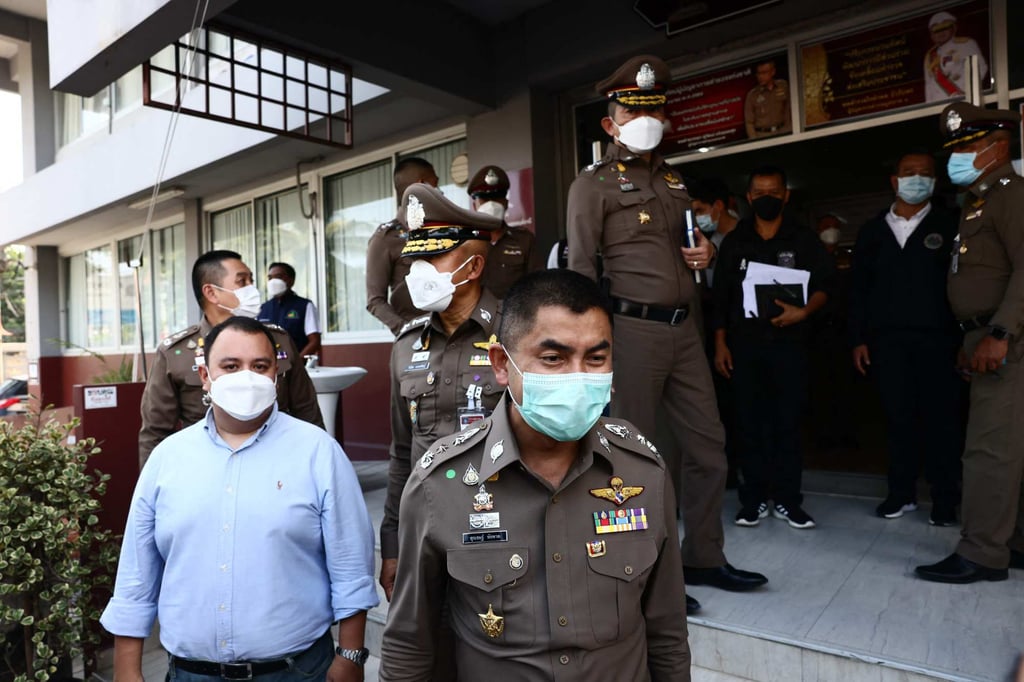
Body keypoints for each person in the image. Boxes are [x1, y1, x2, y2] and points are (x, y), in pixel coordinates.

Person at [380, 269, 691, 681]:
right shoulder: (440, 485)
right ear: (501, 364)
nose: (578, 377)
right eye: (553, 359)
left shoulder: (642, 471)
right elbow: (409, 645)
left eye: (596, 358)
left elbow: (667, 632)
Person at [567, 55, 768, 614]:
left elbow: (685, 251)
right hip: (630, 332)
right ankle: (640, 575)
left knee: (708, 448)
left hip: (684, 332)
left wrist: (705, 257)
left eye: (653, 110)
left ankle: (703, 555)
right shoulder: (592, 185)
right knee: (631, 460)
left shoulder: (676, 180)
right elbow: (581, 272)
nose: (645, 120)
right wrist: (592, 349)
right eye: (632, 111)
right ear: (610, 124)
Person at [102, 316, 378, 682]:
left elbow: (351, 564)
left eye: (259, 366)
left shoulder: (318, 453)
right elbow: (137, 571)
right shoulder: (167, 458)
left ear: (276, 376)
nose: (246, 378)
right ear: (205, 376)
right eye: (230, 366)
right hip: (190, 673)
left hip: (295, 671)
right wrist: (127, 667)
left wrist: (351, 656)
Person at [916, 102, 1024, 584]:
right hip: (986, 334)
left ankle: (981, 552)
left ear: (998, 147)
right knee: (1009, 447)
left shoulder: (1011, 195)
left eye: (968, 146)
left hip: (1008, 339)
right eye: (956, 149)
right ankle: (1011, 541)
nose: (957, 158)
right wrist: (973, 336)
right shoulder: (978, 200)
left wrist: (999, 333)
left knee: (989, 450)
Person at [713, 165, 834, 530]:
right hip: (744, 347)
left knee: (788, 424)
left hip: (790, 346)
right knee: (748, 424)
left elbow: (826, 285)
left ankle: (787, 500)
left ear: (786, 195)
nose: (767, 198)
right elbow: (721, 298)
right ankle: (752, 501)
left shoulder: (803, 238)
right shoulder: (735, 241)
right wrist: (720, 344)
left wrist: (804, 312)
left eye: (774, 192)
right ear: (749, 197)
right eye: (760, 193)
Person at [848, 150, 962, 525]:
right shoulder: (872, 230)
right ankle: (901, 494)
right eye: (909, 172)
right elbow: (858, 290)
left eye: (924, 173)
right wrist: (858, 338)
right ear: (895, 180)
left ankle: (945, 499)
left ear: (935, 181)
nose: (917, 179)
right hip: (886, 342)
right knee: (897, 419)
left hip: (939, 341)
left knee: (942, 420)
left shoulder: (951, 225)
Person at [138, 250, 322, 468]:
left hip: (279, 465)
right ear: (211, 292)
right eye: (242, 281)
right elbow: (156, 433)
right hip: (206, 469)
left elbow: (307, 412)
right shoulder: (175, 353)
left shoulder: (279, 340)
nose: (252, 289)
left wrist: (318, 467)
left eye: (251, 280)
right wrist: (155, 484)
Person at [365, 157, 439, 334]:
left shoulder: (441, 230)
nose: (438, 191)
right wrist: (407, 331)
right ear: (421, 185)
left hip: (454, 335)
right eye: (435, 184)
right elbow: (375, 301)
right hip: (416, 338)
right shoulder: (386, 238)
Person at [467, 164, 541, 298]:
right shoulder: (465, 242)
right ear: (474, 205)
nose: (491, 204)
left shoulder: (524, 240)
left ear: (506, 203)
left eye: (497, 197)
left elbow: (536, 287)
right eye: (484, 199)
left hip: (513, 310)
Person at [258, 261, 322, 358]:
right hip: (269, 363)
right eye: (270, 278)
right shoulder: (263, 308)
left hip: (295, 363)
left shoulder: (304, 306)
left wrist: (297, 362)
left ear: (291, 280)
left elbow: (315, 341)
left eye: (278, 277)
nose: (273, 282)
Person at [923, 11, 987, 103]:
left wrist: (966, 92)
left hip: (962, 100)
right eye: (937, 31)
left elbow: (981, 68)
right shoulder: (930, 56)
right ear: (932, 35)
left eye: (945, 28)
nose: (941, 33)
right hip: (939, 105)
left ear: (953, 28)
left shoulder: (965, 44)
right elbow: (929, 85)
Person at [744, 59, 791, 139]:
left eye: (764, 73)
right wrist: (755, 141)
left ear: (773, 72)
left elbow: (788, 110)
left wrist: (789, 131)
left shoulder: (783, 86)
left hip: (783, 132)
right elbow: (749, 122)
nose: (760, 77)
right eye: (758, 73)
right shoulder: (752, 95)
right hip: (762, 136)